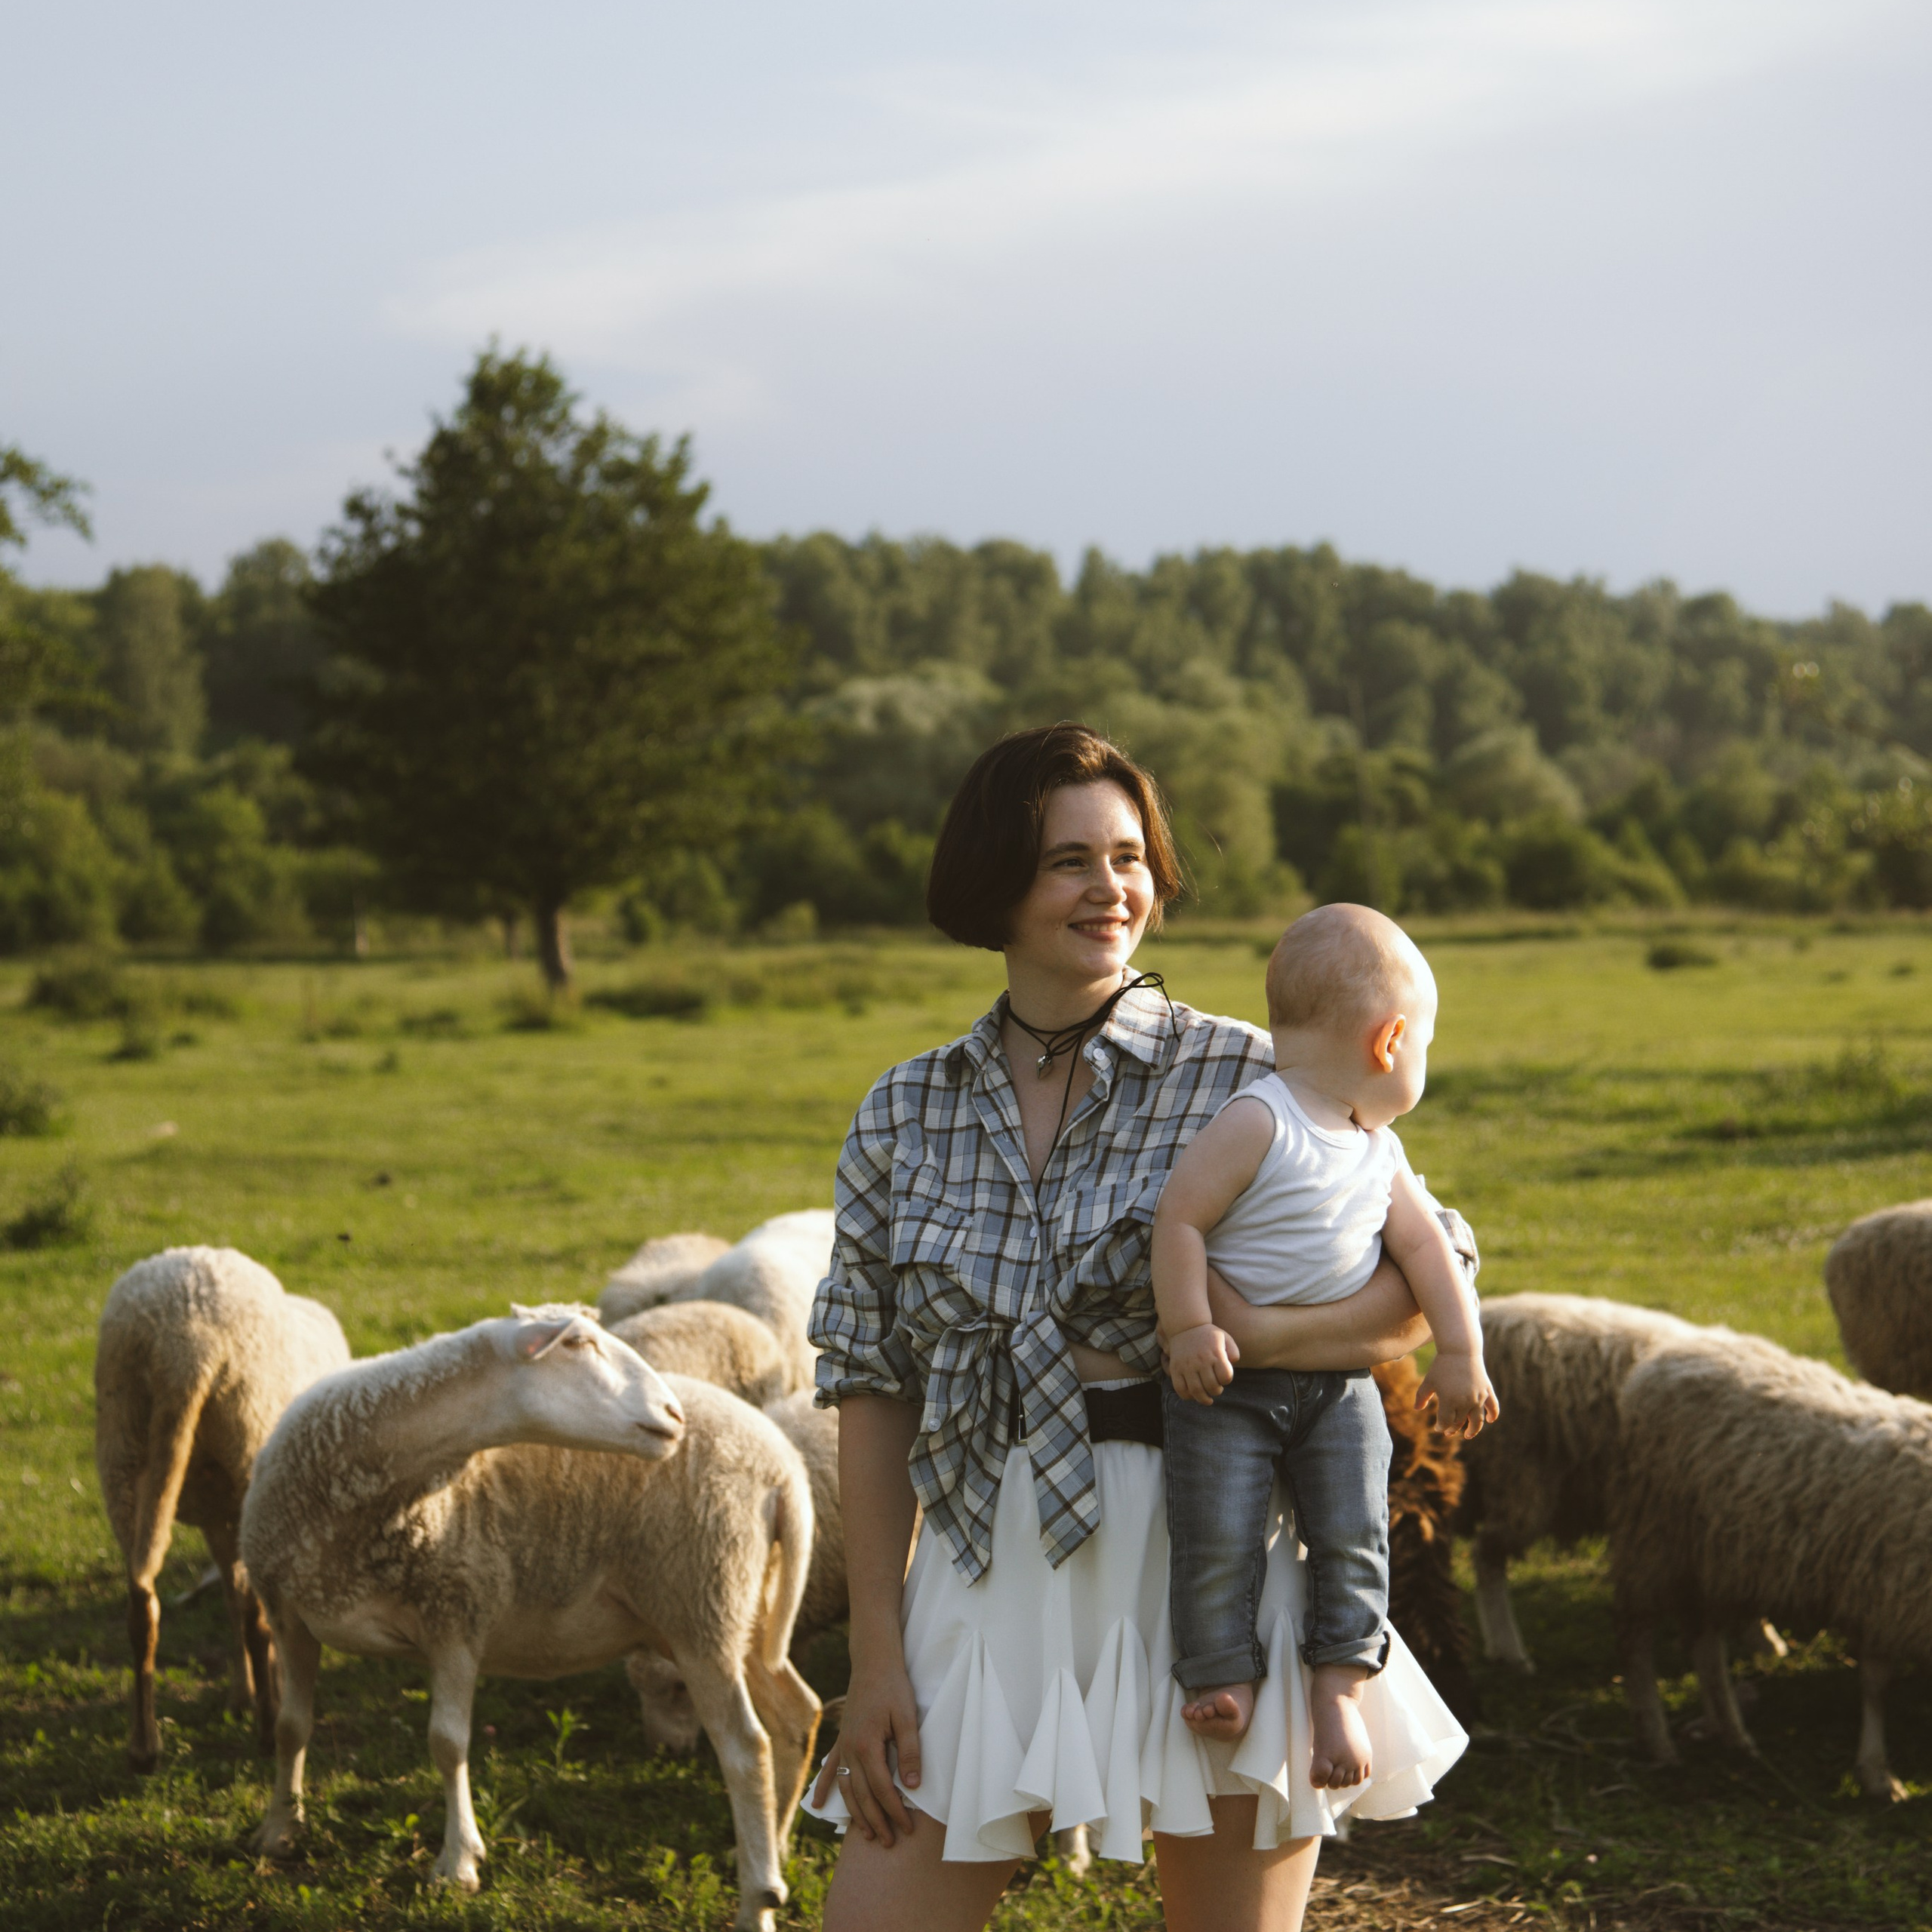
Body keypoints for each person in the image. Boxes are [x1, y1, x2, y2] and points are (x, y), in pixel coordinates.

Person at [806, 724, 1468, 1932]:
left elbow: (1431, 1270)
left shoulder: (1252, 1077)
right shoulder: (905, 1107)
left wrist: (1249, 1340)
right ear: (996, 880)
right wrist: (876, 1657)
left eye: (1129, 857)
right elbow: (871, 1380)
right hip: (987, 1552)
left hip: (1207, 1553)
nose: (1110, 889)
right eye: (1069, 860)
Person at [1152, 904, 1498, 1789]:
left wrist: (1462, 1353)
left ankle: (1339, 1683)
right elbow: (1179, 1220)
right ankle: (1220, 1674)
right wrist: (1189, 1326)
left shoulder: (1377, 1147)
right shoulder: (1257, 1121)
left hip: (1341, 1389)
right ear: (1389, 1042)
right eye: (1423, 1044)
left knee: (1354, 1529)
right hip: (1227, 1386)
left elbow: (1429, 1251)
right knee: (1214, 1528)